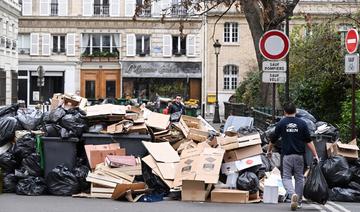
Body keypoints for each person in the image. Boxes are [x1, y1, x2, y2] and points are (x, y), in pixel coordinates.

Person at [267, 102, 319, 211]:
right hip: (299, 155)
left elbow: (273, 139)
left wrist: (269, 151)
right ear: (296, 111)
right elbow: (309, 141)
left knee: (286, 177)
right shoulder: (302, 123)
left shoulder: (281, 123)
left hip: (286, 156)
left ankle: (292, 194)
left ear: (285, 112)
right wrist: (315, 155)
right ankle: (298, 201)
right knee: (299, 177)